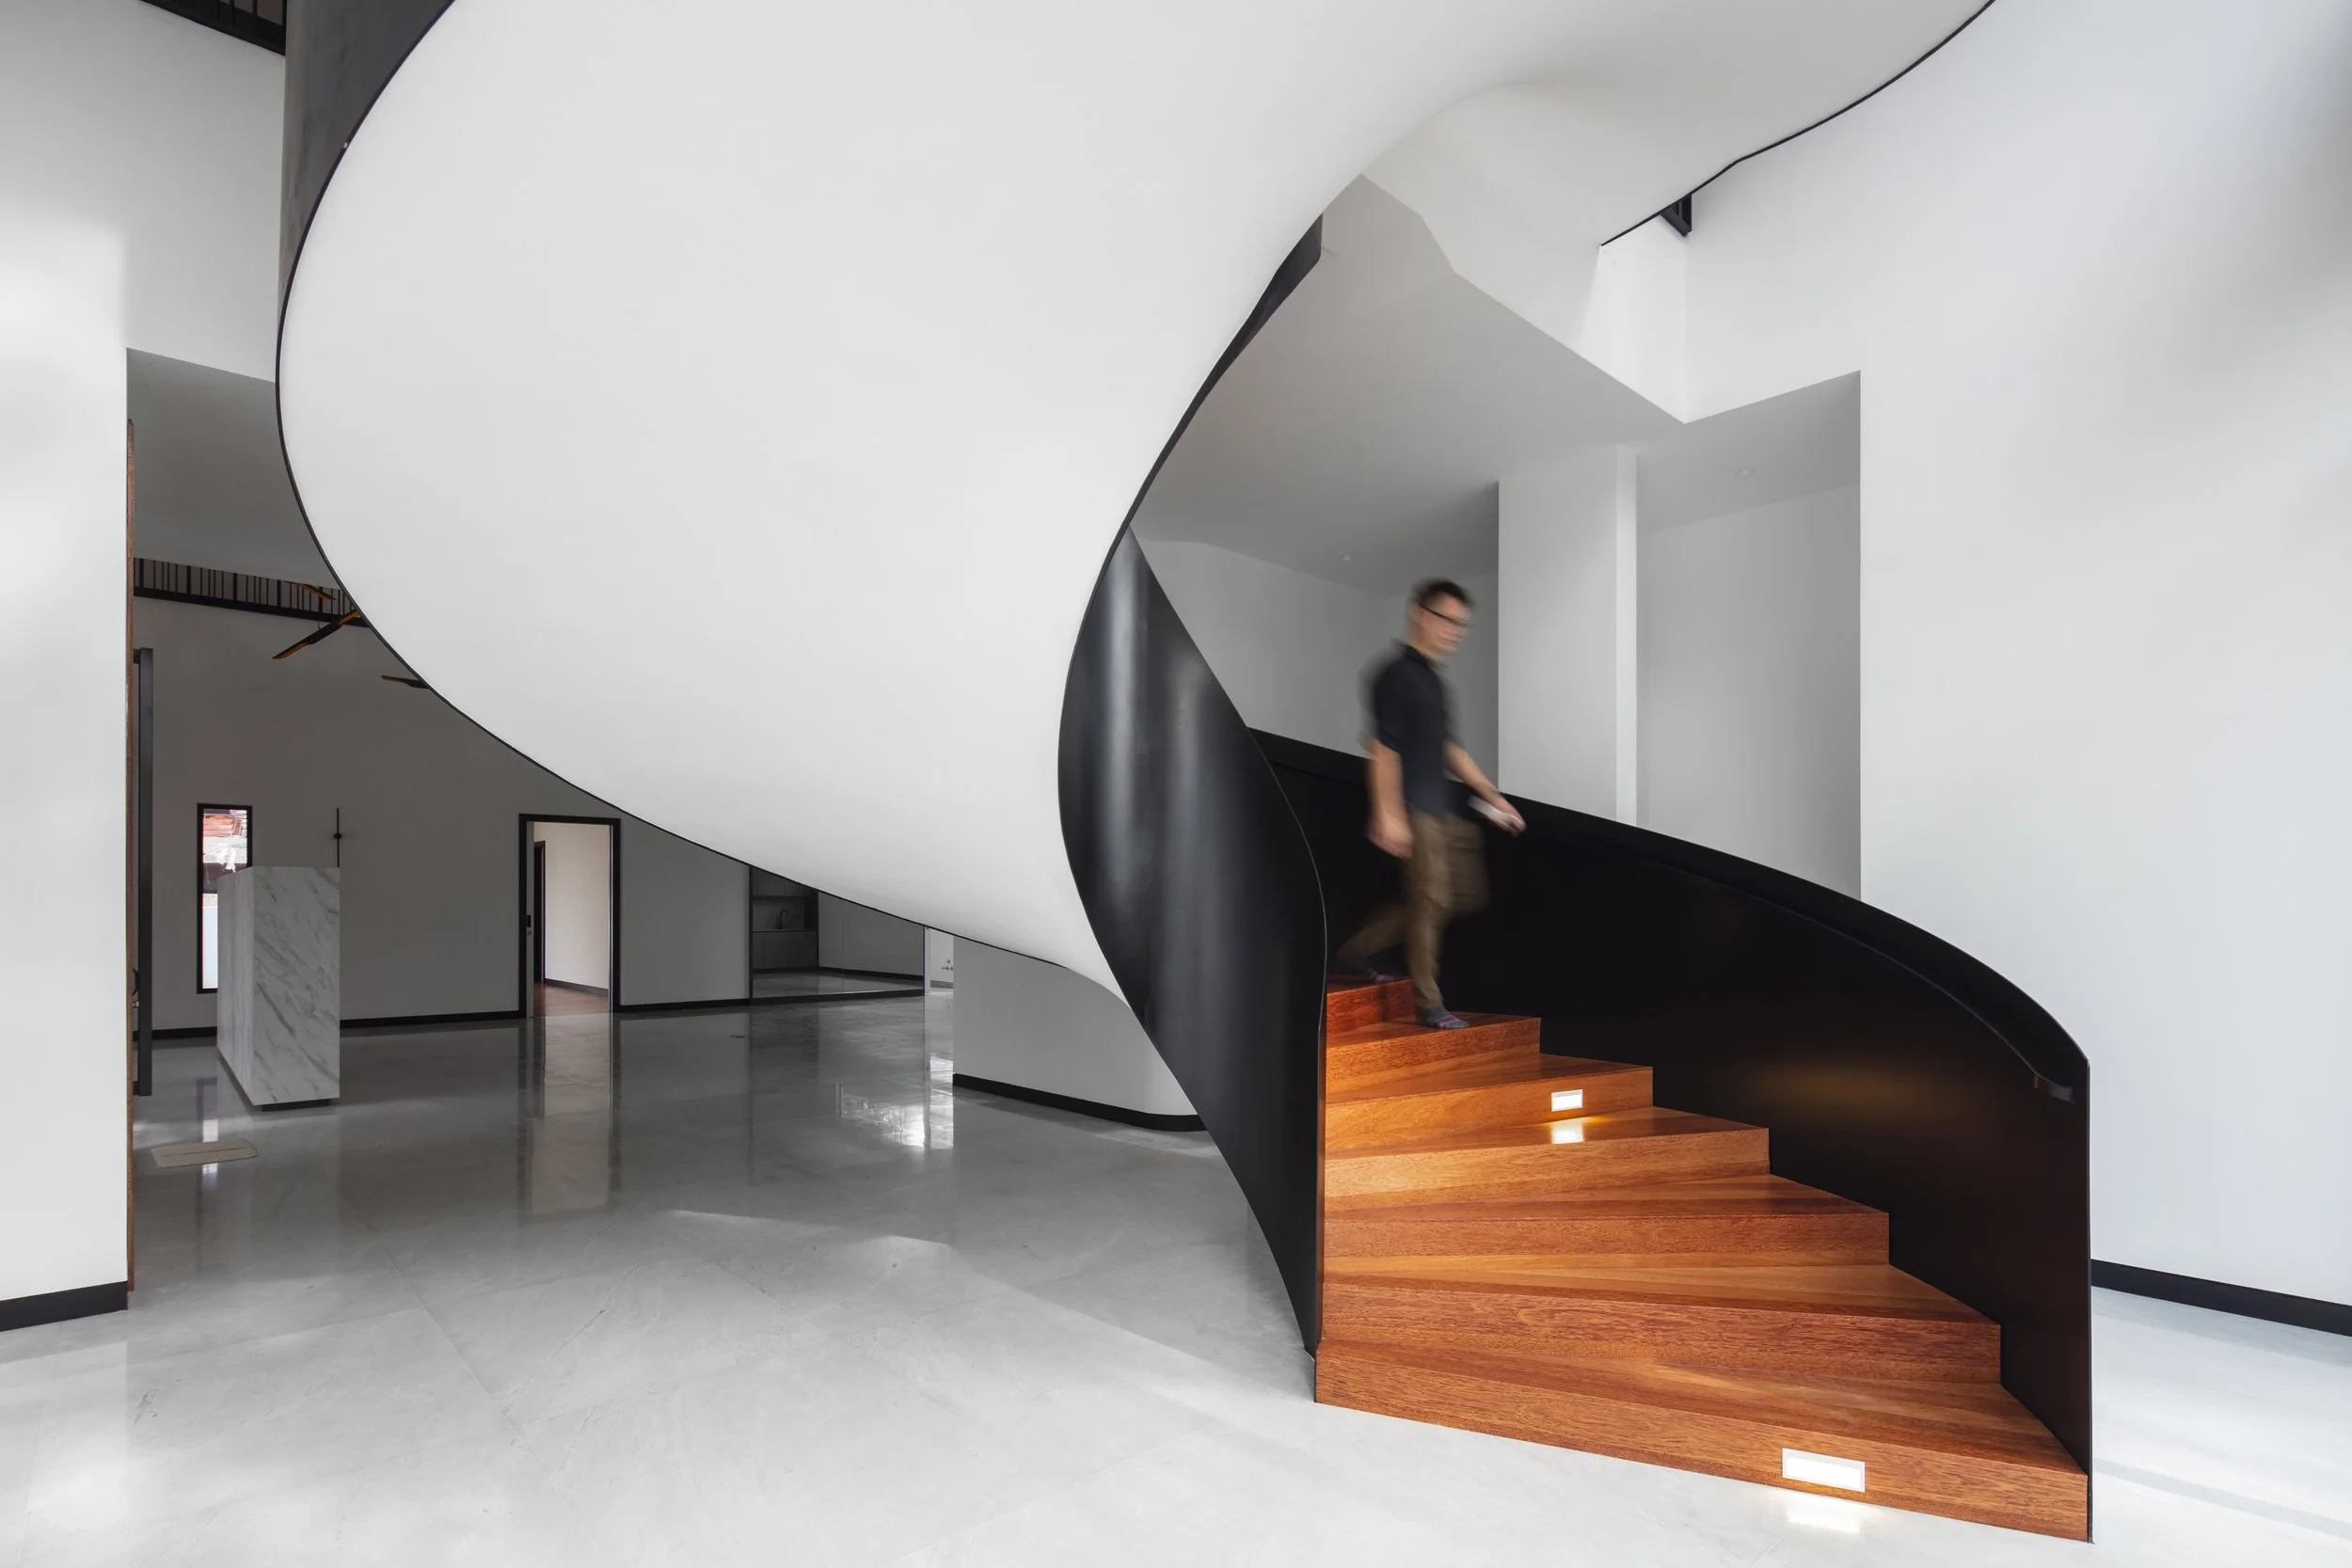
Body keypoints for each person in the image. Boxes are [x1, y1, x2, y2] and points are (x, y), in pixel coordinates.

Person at [1334, 579, 1523, 1029]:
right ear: (1421, 613)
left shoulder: (1433, 681)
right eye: (1448, 620)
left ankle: (1357, 950)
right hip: (1414, 807)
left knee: (1462, 895)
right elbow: (1383, 748)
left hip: (1445, 807)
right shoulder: (1393, 674)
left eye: (1463, 625)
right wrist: (1387, 812)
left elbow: (1448, 747)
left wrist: (1491, 795)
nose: (1456, 631)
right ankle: (1429, 1004)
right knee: (1432, 901)